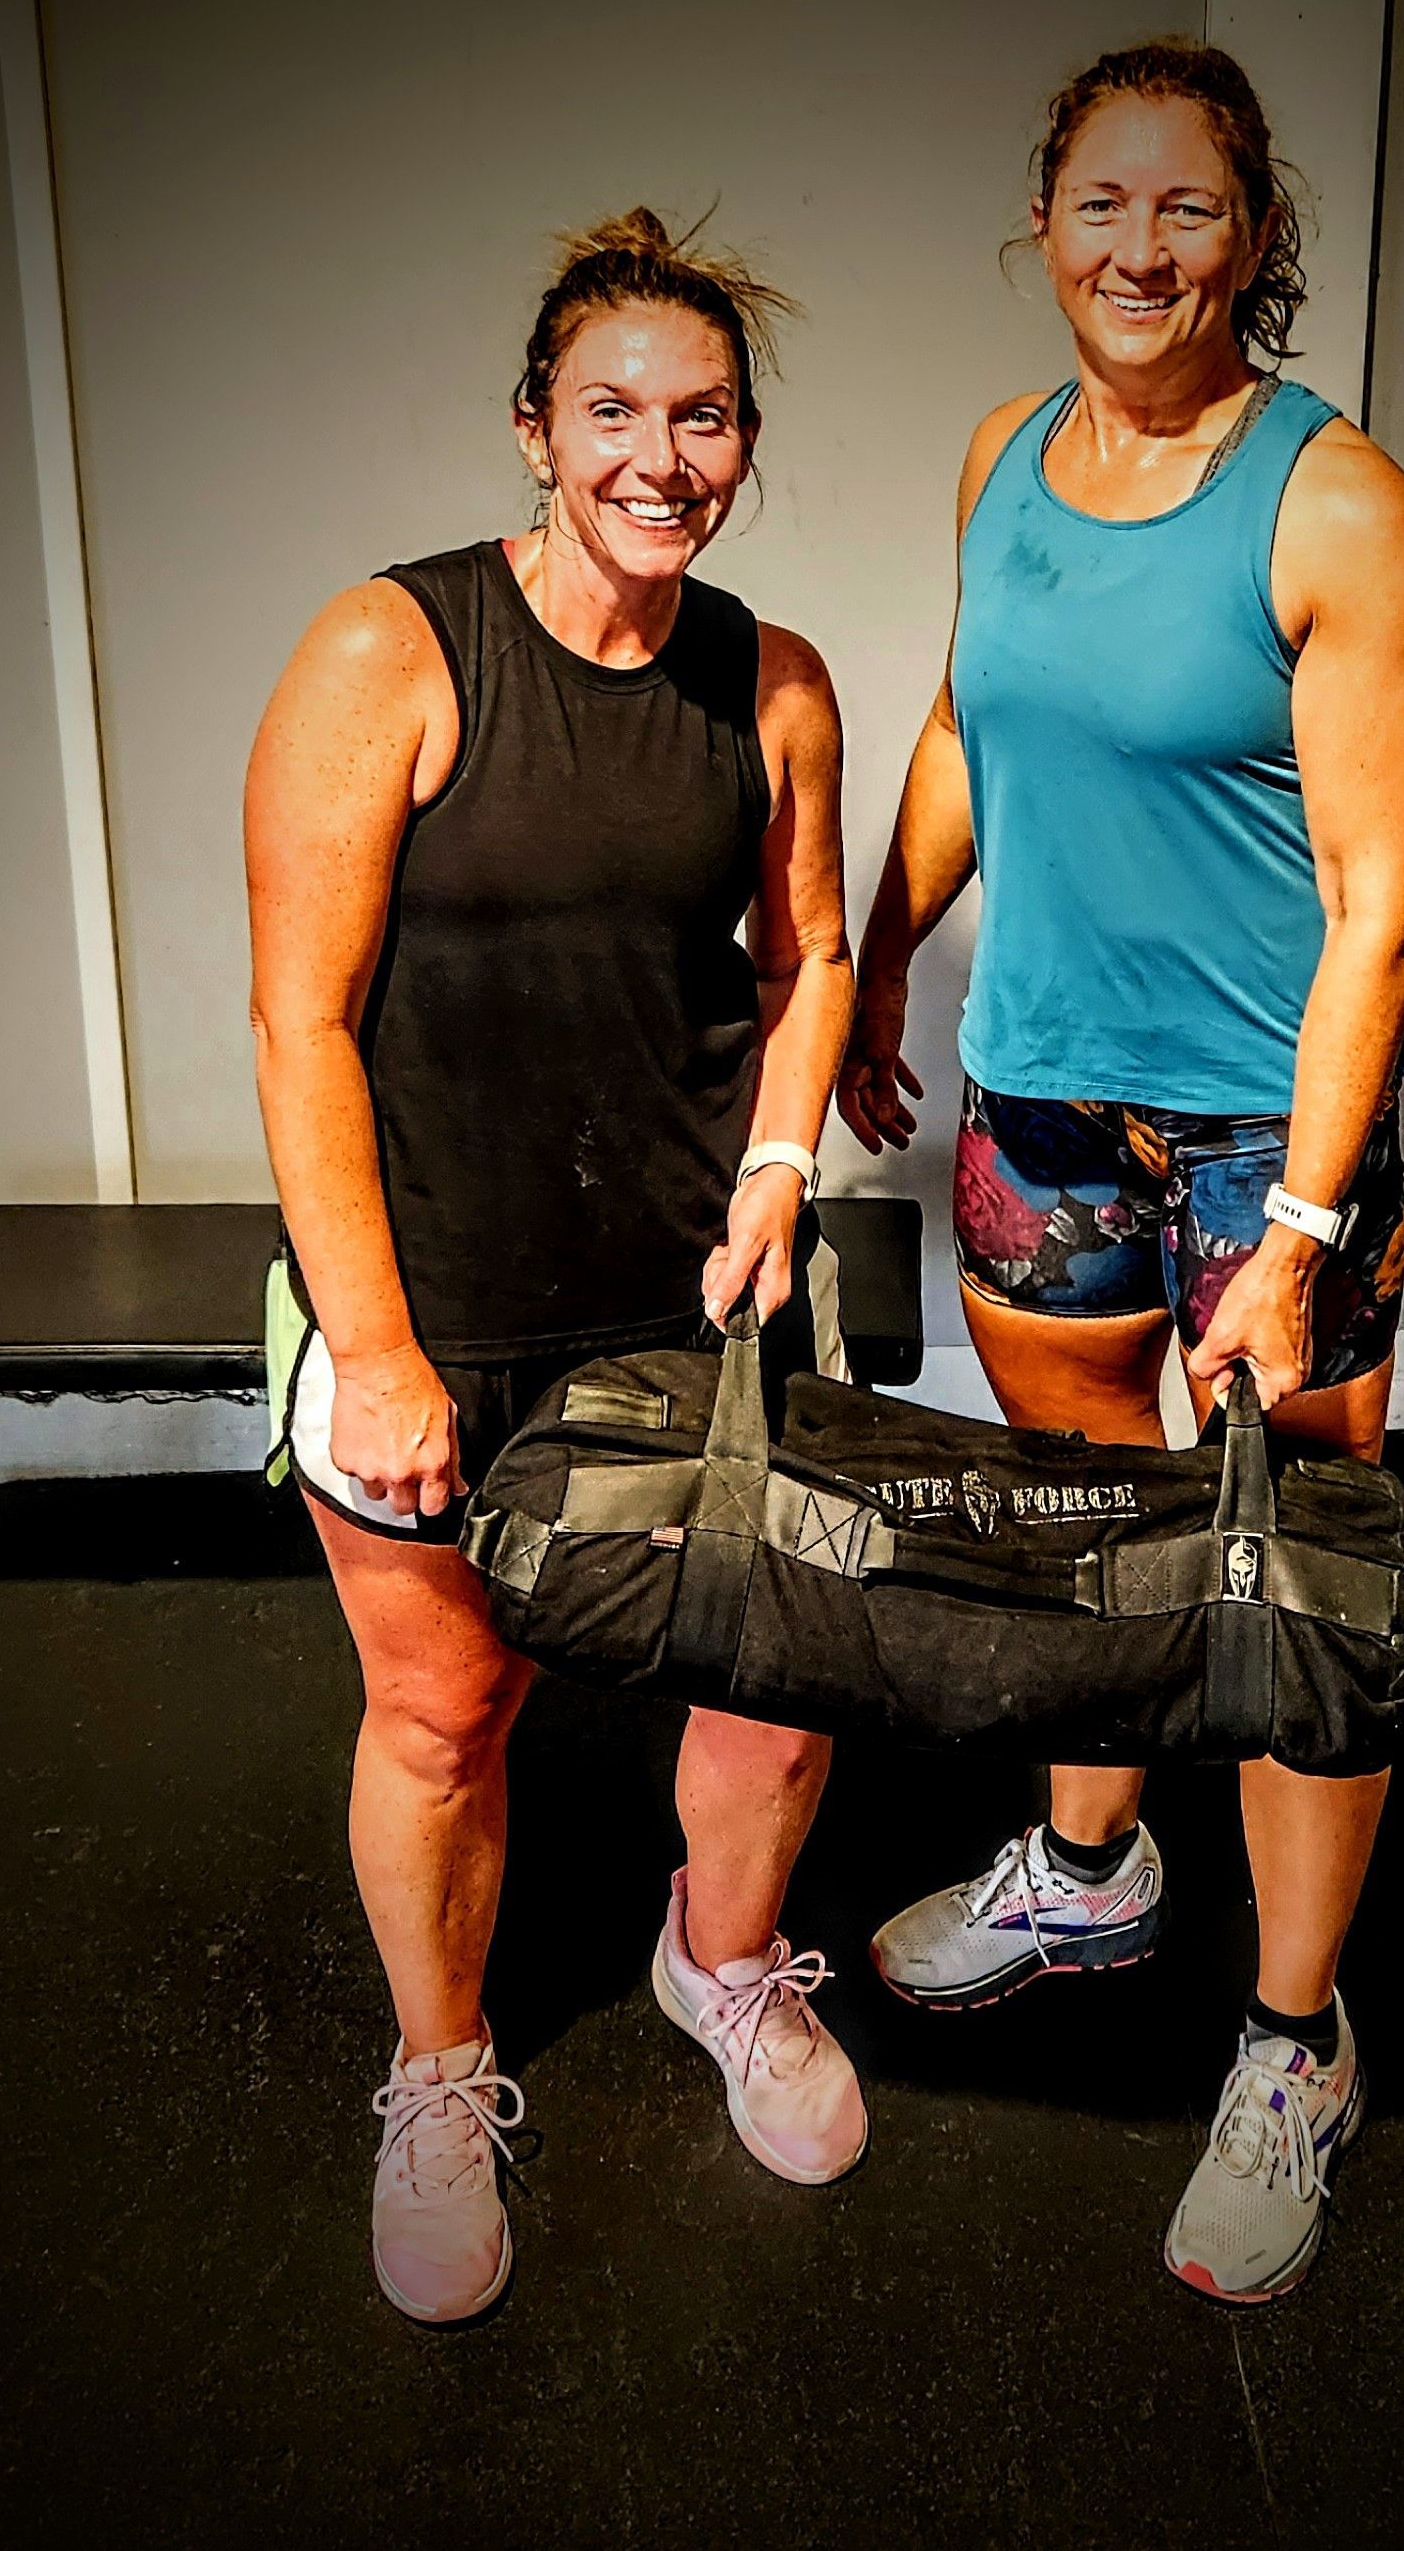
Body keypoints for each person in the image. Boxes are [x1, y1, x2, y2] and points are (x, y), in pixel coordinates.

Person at [839, 42, 1404, 2303]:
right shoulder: (1008, 454)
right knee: (1087, 1513)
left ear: (1258, 238)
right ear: (1042, 221)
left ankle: (1295, 2038)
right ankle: (1092, 1868)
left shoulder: (1336, 504)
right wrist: (886, 949)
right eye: (1101, 204)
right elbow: (961, 721)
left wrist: (1295, 1235)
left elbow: (1382, 902)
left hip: (1253, 1144)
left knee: (1294, 1596)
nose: (1138, 250)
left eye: (1187, 209)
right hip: (1038, 1104)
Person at [247, 210, 866, 2326]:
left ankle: (725, 1970)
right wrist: (374, 1344)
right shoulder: (386, 656)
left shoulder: (772, 683)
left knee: (773, 1700)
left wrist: (784, 1161)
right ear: (535, 429)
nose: (657, 454)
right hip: (436, 1293)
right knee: (447, 1710)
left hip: (696, 1288)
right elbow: (298, 1020)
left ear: (744, 447)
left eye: (700, 418)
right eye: (611, 409)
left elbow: (813, 961)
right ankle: (439, 2072)